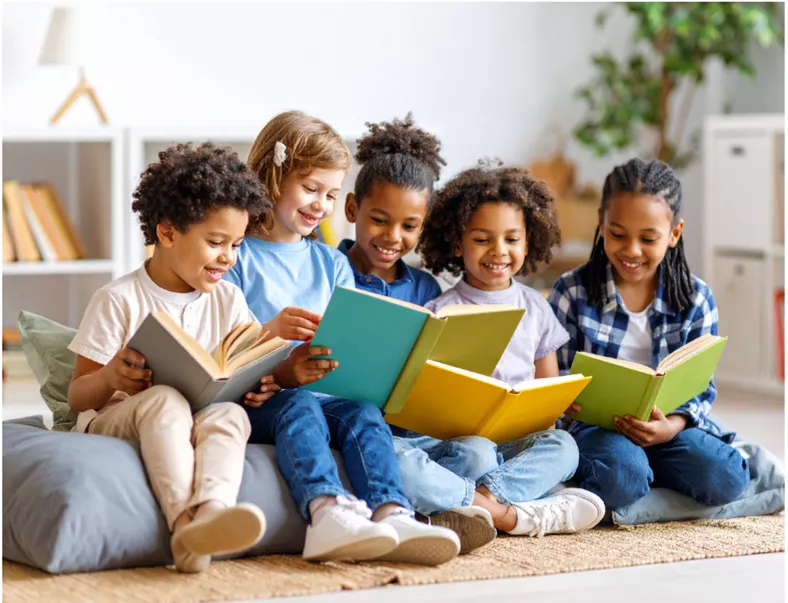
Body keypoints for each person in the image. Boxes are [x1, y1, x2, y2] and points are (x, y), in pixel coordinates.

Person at [225, 111, 460, 565]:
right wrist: (280, 368)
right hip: (263, 399)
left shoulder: (331, 263)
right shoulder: (237, 255)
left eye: (331, 194)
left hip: (326, 394)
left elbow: (350, 343)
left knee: (365, 413)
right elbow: (222, 349)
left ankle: (392, 511)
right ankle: (326, 512)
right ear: (272, 176)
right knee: (300, 404)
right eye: (310, 189)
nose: (320, 205)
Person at [67, 142, 269, 573]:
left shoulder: (229, 299)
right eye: (216, 242)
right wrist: (111, 377)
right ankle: (183, 525)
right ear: (168, 233)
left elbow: (242, 361)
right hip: (117, 418)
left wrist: (259, 380)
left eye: (236, 244)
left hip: (199, 413)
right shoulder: (118, 299)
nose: (228, 258)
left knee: (230, 415)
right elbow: (77, 398)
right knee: (165, 400)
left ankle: (212, 514)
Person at [548, 157, 750, 512]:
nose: (632, 250)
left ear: (674, 233)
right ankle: (633, 469)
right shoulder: (571, 291)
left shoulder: (696, 298)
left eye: (648, 238)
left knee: (728, 477)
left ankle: (645, 467)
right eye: (618, 234)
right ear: (601, 222)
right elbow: (558, 378)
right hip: (598, 428)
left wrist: (671, 426)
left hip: (669, 427)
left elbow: (701, 387)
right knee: (623, 479)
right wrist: (564, 402)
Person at [415, 161, 606, 537]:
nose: (498, 251)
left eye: (512, 239)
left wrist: (555, 406)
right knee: (477, 454)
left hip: (516, 441)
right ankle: (516, 506)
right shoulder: (440, 311)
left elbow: (547, 394)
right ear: (457, 242)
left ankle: (485, 502)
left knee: (565, 446)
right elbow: (425, 400)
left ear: (529, 241)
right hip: (463, 444)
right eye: (482, 239)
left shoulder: (536, 307)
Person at [338, 113, 497, 553]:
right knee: (399, 461)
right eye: (379, 220)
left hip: (416, 428)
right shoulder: (330, 271)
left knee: (479, 452)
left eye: (409, 226)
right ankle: (483, 508)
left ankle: (433, 512)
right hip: (362, 427)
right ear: (352, 210)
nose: (393, 237)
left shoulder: (427, 289)